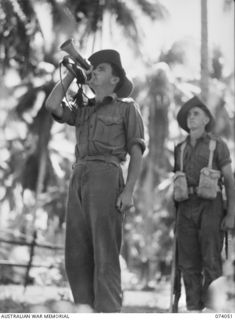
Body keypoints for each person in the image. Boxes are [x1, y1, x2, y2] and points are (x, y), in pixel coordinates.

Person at [45, 49, 145, 312]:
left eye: (100, 69)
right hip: (79, 176)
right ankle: (85, 312)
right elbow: (52, 106)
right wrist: (71, 73)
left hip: (107, 175)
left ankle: (109, 312)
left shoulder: (127, 108)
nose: (94, 71)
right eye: (93, 67)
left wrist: (129, 190)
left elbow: (137, 152)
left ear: (115, 79)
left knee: (105, 254)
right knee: (75, 256)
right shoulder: (82, 108)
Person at [173, 95, 235, 312]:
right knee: (187, 264)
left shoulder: (218, 146)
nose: (191, 117)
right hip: (185, 208)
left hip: (211, 207)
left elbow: (228, 180)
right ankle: (192, 309)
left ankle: (213, 310)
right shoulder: (179, 148)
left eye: (196, 113)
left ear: (207, 119)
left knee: (211, 260)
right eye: (188, 115)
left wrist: (231, 214)